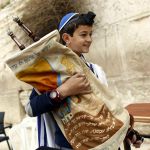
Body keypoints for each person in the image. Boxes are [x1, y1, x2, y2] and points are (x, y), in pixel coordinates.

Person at [26, 11, 143, 150]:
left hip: (104, 143)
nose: (89, 39)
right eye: (83, 34)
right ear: (66, 38)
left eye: (90, 34)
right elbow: (30, 109)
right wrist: (63, 91)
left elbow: (107, 109)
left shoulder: (96, 71)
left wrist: (128, 132)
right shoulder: (52, 73)